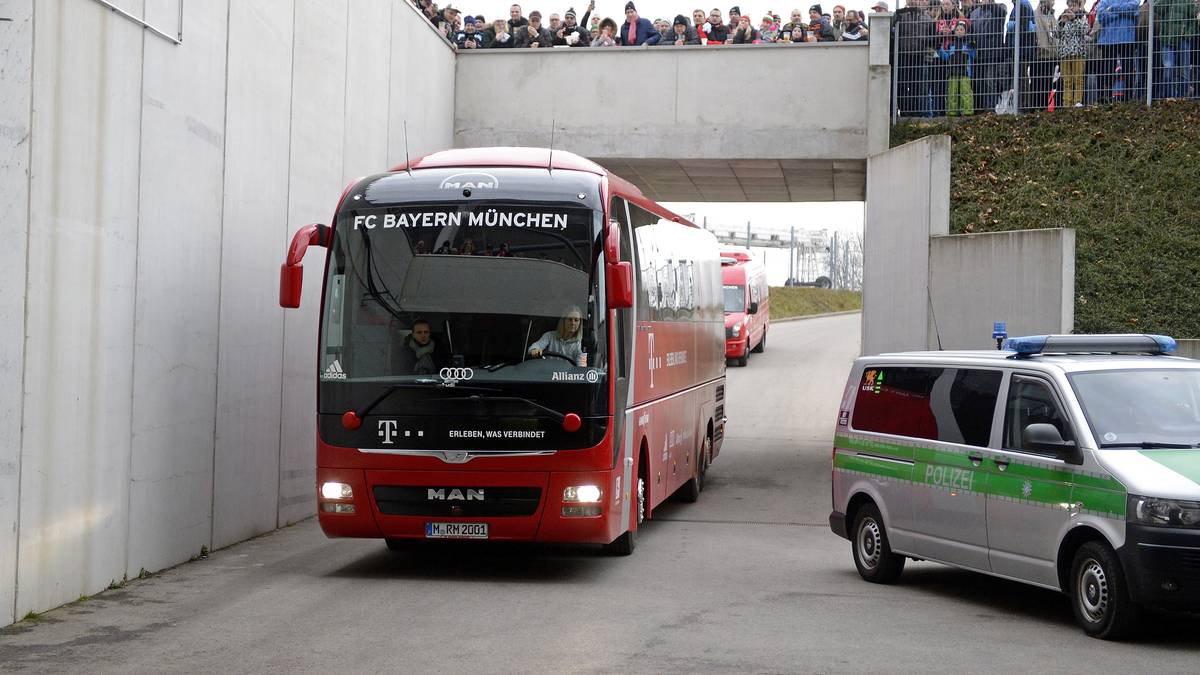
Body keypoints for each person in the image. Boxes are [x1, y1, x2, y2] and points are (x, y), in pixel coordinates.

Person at [1094, 0, 1139, 102]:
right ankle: (1106, 97)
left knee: (1128, 69)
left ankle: (1128, 97)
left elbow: (1134, 8)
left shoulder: (1108, 3)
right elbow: (1101, 15)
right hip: (1109, 40)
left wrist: (1112, 9)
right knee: (1108, 70)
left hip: (1126, 38)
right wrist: (1123, 11)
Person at [939, 18, 977, 115]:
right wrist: (940, 50)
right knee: (952, 91)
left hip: (965, 72)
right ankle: (952, 111)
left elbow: (973, 56)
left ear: (965, 31)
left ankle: (968, 111)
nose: (959, 31)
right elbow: (946, 57)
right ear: (954, 32)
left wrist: (973, 48)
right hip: (952, 72)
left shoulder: (968, 44)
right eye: (957, 30)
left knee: (966, 91)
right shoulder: (951, 45)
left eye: (962, 30)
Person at [1057, 0, 1090, 107]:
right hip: (1065, 53)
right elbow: (1056, 34)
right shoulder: (1063, 16)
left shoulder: (1082, 16)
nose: (1071, 8)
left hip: (1078, 52)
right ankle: (1067, 103)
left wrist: (1074, 19)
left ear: (1079, 5)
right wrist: (1061, 22)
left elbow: (1084, 30)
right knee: (1067, 80)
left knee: (1078, 79)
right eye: (1069, 5)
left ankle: (1077, 102)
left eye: (1074, 5)